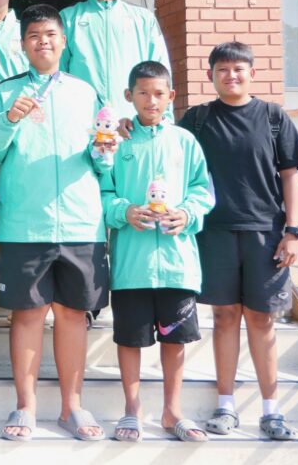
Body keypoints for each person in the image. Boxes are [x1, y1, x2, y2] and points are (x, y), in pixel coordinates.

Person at [0, 4, 109, 442]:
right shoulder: (5, 91)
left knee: (73, 314)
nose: (43, 42)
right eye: (34, 35)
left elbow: (102, 155)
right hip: (25, 221)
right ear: (23, 44)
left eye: (50, 35)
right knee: (28, 313)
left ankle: (72, 407)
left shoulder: (85, 92)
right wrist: (9, 119)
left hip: (80, 221)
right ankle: (26, 406)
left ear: (63, 40)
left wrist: (106, 152)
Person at [180, 42, 298, 441]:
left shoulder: (273, 117)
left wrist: (293, 232)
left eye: (238, 69)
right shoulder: (197, 119)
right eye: (223, 69)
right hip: (214, 233)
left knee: (262, 319)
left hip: (266, 235)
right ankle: (225, 405)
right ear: (210, 75)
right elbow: (170, 155)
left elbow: (290, 176)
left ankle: (272, 411)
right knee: (224, 318)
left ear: (252, 73)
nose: (231, 76)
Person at [101, 61, 214, 443]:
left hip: (178, 265)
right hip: (131, 266)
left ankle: (172, 411)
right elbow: (103, 192)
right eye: (143, 93)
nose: (151, 100)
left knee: (175, 340)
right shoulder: (118, 142)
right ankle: (132, 410)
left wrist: (188, 213)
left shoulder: (184, 141)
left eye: (159, 94)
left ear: (171, 96)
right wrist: (124, 211)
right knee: (129, 339)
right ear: (129, 96)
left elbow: (202, 190)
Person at [60, 0, 169, 119]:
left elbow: (161, 71)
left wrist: (165, 119)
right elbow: (57, 73)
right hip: (81, 120)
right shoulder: (67, 19)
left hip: (133, 121)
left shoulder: (143, 19)